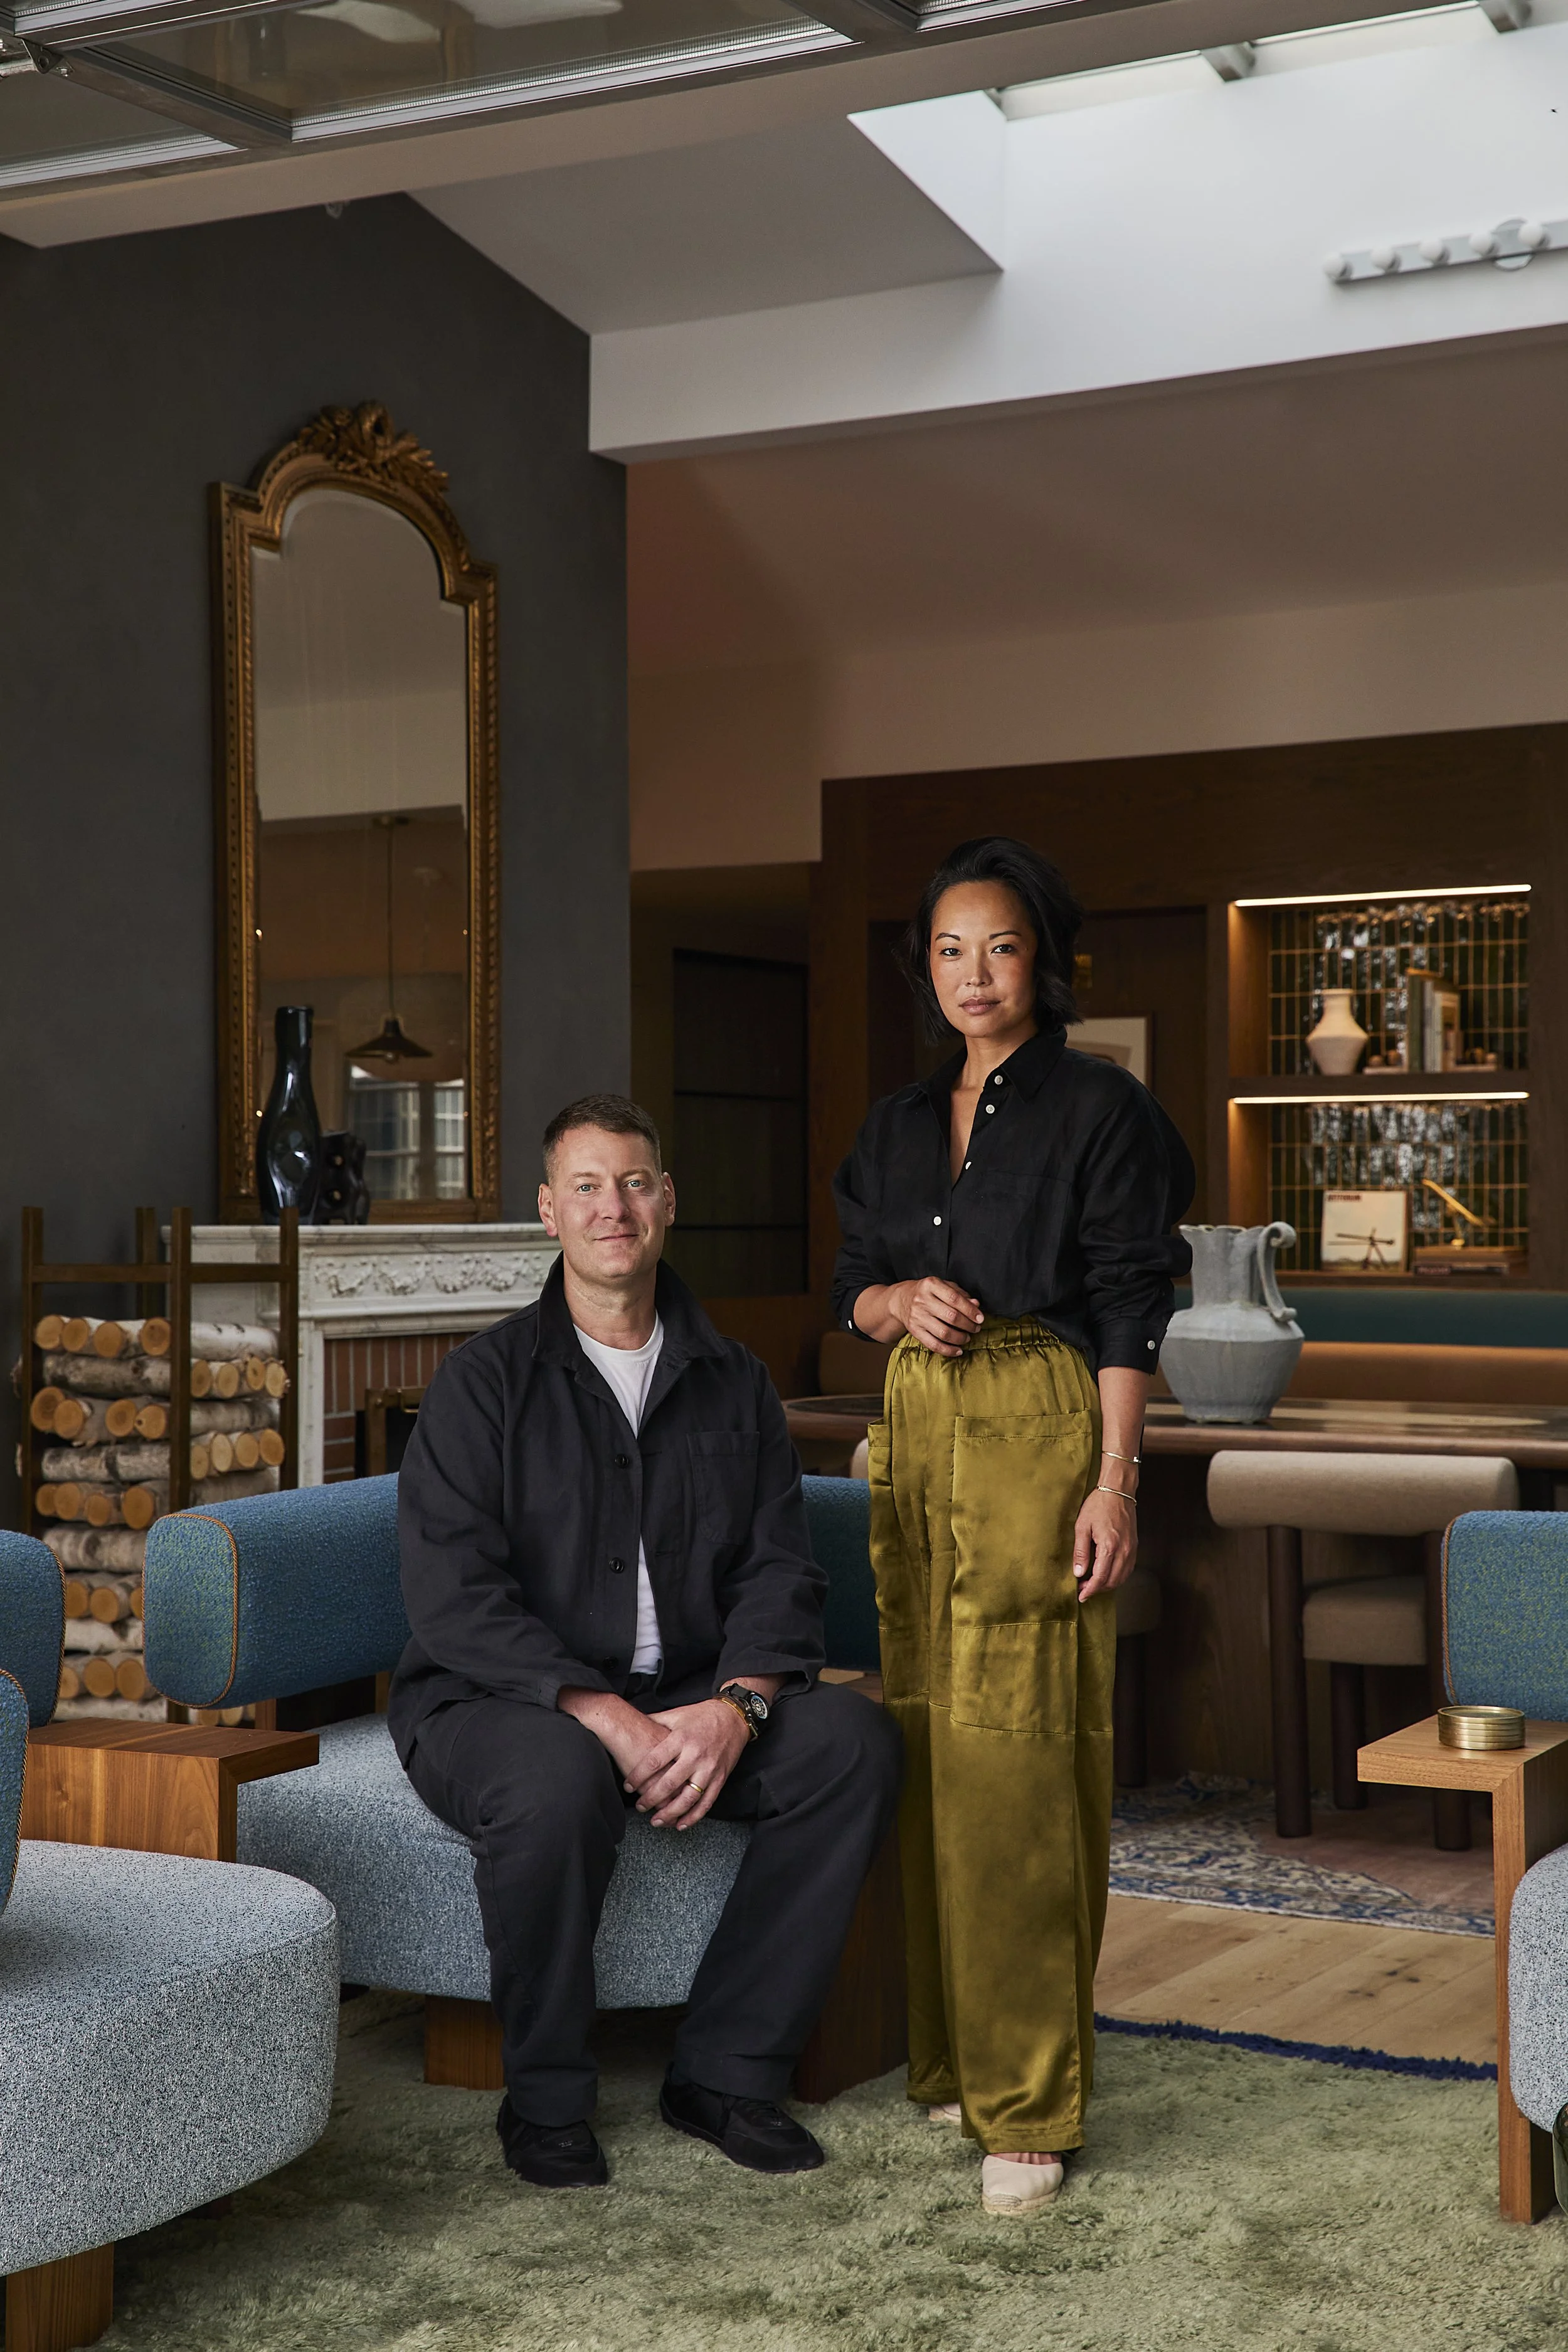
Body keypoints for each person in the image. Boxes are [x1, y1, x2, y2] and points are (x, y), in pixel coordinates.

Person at [389, 1093, 901, 2191]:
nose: (611, 1207)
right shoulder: (482, 1385)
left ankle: (722, 2073)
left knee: (853, 1744)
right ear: (548, 1212)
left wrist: (739, 1708)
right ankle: (547, 2102)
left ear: (667, 1202)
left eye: (632, 1182)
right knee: (555, 1778)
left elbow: (780, 1567)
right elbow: (456, 1598)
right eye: (586, 1185)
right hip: (501, 1703)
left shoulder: (736, 1379)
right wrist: (606, 1717)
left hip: (692, 1690)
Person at [832, 837, 1194, 2218]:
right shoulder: (896, 1120)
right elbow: (851, 1281)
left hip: (1039, 1418)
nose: (971, 976)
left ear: (1040, 958)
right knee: (923, 1736)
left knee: (1021, 1760)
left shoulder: (1101, 1110)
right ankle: (953, 2057)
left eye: (996, 947)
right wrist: (891, 1307)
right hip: (914, 1425)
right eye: (945, 950)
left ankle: (1030, 2094)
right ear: (922, 967)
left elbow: (1125, 1307)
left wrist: (1114, 1482)